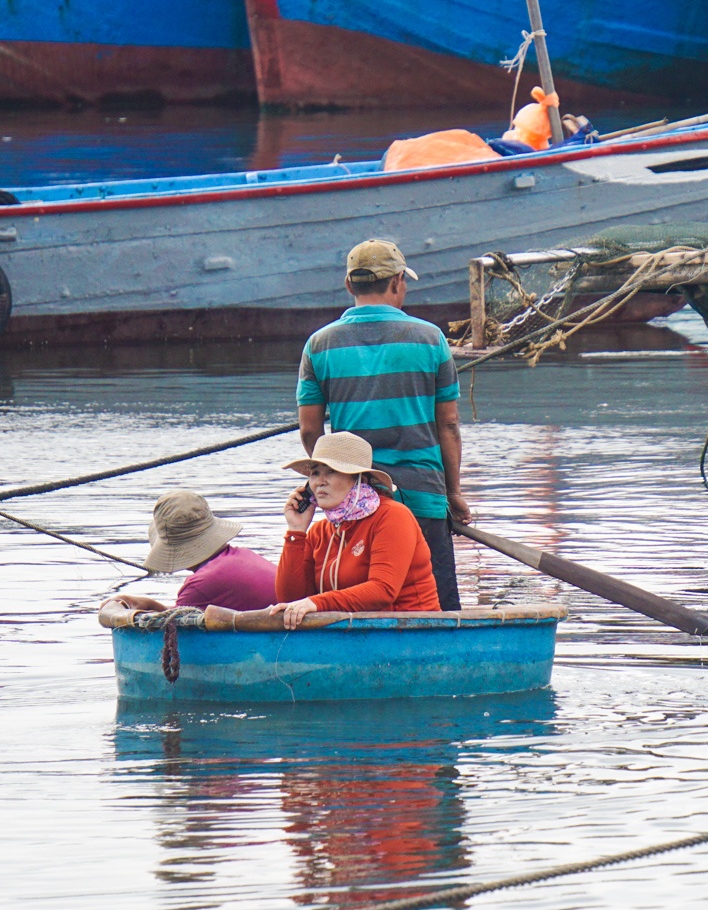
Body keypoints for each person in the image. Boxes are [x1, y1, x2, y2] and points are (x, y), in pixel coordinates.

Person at [297, 239, 467, 611]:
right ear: (396, 282)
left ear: (349, 286)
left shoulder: (319, 344)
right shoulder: (429, 338)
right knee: (435, 605)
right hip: (423, 494)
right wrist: (453, 494)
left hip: (355, 497)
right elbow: (449, 425)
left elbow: (310, 431)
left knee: (358, 601)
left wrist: (333, 474)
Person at [272, 431, 441, 629]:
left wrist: (318, 602)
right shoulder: (319, 531)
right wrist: (296, 532)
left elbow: (382, 590)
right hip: (353, 633)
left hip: (412, 630)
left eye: (331, 471)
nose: (319, 482)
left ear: (359, 480)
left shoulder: (392, 516)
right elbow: (292, 599)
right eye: (315, 473)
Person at [110, 490, 278, 614]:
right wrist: (150, 604)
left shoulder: (200, 584)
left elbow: (174, 626)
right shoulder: (243, 555)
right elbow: (184, 614)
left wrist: (148, 607)